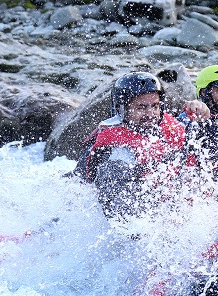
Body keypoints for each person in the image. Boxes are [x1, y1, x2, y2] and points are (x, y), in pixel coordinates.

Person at [73, 71, 188, 219]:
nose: (150, 114)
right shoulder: (116, 149)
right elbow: (116, 205)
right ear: (121, 110)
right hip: (114, 215)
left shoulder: (163, 128)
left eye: (155, 106)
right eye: (141, 108)